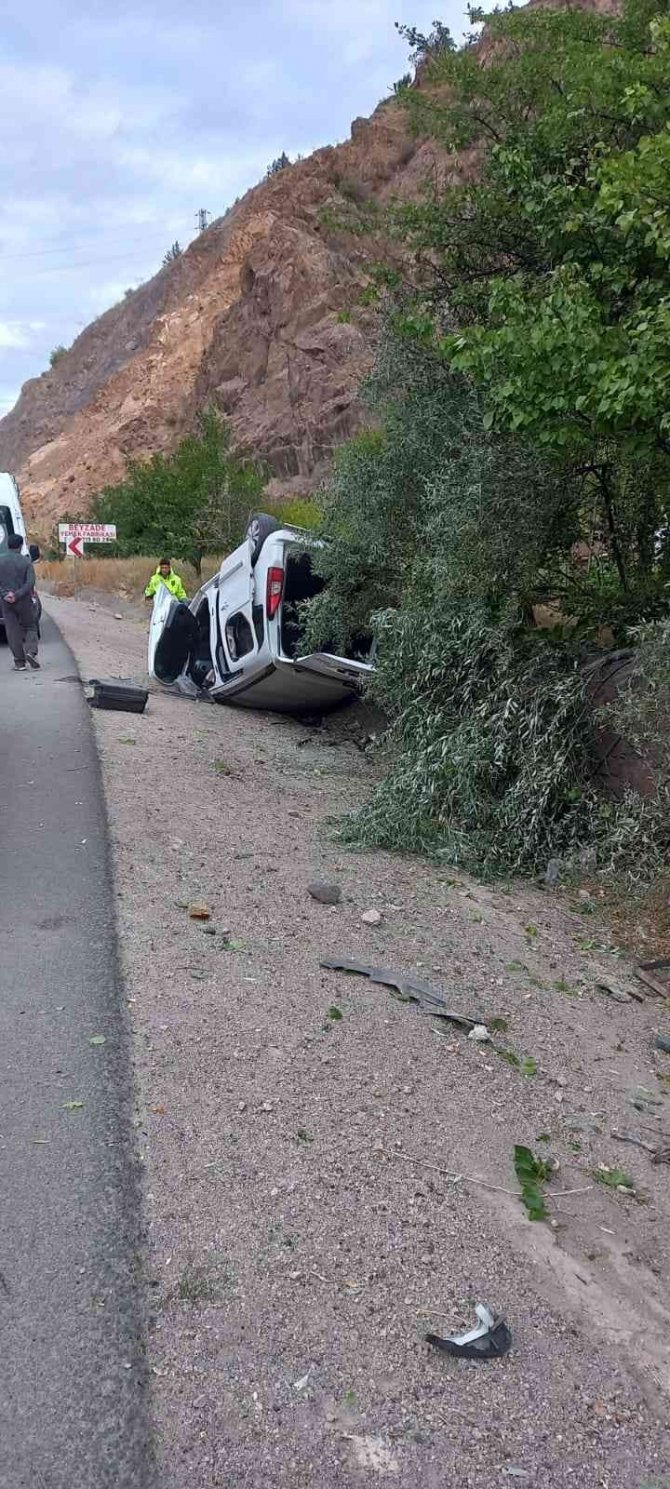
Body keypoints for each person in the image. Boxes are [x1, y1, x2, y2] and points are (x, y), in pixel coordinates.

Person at [0, 534, 39, 670]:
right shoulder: (26, 562)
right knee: (30, 626)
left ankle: (19, 663)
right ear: (21, 545)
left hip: (6, 602)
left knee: (12, 631)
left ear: (8, 545)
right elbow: (30, 582)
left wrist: (6, 594)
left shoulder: (1, 562)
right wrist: (17, 594)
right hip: (24, 600)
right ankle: (31, 652)